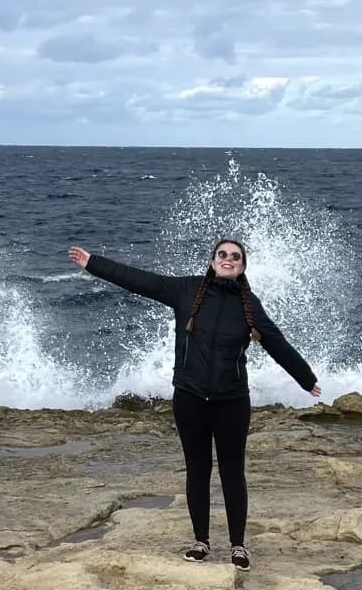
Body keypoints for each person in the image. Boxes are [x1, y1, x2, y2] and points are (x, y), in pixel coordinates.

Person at [68, 238, 321, 570]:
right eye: (222, 255)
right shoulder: (186, 291)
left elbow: (278, 344)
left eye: (235, 257)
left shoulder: (249, 306)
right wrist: (94, 264)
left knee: (233, 474)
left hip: (232, 403)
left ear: (242, 266)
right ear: (213, 260)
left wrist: (307, 379)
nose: (228, 260)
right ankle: (201, 541)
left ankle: (238, 547)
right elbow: (140, 280)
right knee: (197, 471)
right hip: (189, 399)